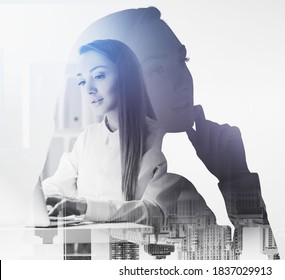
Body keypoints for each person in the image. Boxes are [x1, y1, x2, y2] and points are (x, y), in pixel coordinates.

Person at [72, 7, 270, 228]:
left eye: (182, 60)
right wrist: (238, 182)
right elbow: (260, 260)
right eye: (156, 70)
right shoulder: (178, 199)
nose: (182, 81)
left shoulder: (86, 174)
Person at [42, 39, 184, 224]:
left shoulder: (164, 139)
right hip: (89, 245)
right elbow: (57, 184)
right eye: (82, 81)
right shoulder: (88, 137)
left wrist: (83, 207)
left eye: (99, 76)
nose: (89, 89)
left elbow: (154, 211)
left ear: (127, 76)